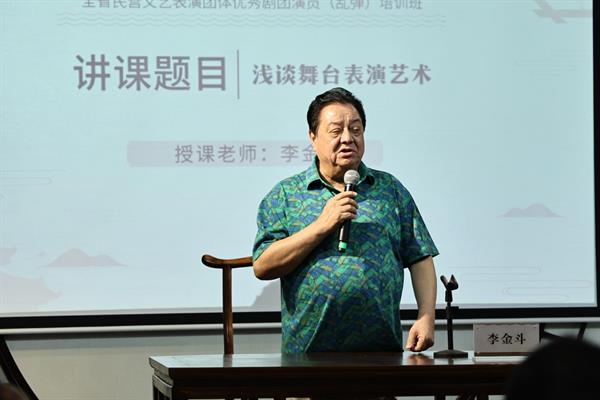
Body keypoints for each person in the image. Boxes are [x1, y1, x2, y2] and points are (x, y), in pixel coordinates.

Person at [253, 87, 439, 353]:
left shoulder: (390, 189)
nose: (348, 138)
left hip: (381, 351)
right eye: (335, 131)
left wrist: (426, 316)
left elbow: (420, 256)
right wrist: (322, 226)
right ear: (313, 137)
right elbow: (263, 265)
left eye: (355, 129)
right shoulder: (286, 194)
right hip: (307, 354)